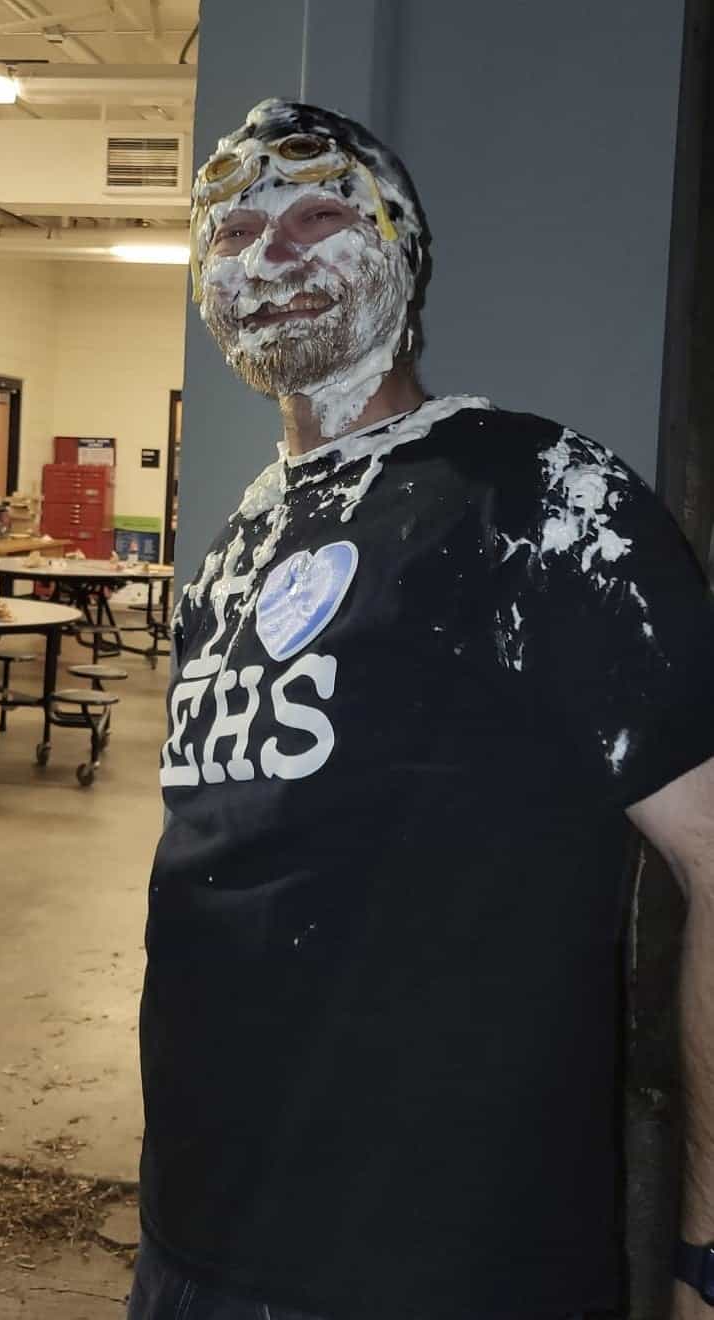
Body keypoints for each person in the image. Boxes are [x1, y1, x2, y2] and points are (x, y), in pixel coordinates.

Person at [129, 98, 714, 1320]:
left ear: (398, 248)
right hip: (194, 1245)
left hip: (443, 1270)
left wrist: (707, 1247)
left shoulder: (538, 496)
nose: (270, 253)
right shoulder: (243, 532)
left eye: (317, 211)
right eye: (231, 233)